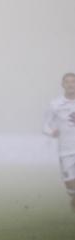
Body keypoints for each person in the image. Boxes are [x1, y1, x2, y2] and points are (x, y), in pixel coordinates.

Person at [43, 72, 75, 211]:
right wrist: (52, 132)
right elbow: (45, 125)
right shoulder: (55, 104)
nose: (70, 84)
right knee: (70, 185)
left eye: (73, 81)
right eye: (67, 82)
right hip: (66, 150)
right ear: (62, 85)